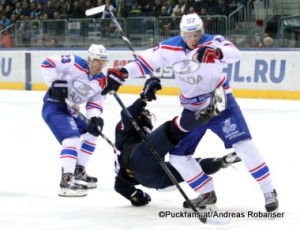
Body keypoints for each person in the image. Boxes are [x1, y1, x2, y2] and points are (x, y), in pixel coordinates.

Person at [101, 13, 278, 212]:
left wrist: (216, 53)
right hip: (192, 110)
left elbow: (234, 53)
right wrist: (123, 72)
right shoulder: (171, 46)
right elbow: (146, 61)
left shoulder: (212, 42)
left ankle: (268, 190)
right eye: (190, 35)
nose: (194, 39)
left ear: (202, 31)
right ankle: (206, 193)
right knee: (178, 156)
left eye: (198, 34)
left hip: (220, 103)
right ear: (182, 34)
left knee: (243, 144)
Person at [114, 78, 241, 206]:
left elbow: (119, 185)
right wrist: (143, 98)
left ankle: (219, 162)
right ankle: (206, 112)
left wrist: (138, 197)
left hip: (154, 180)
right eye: (146, 113)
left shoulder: (124, 155)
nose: (148, 115)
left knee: (188, 166)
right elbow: (126, 114)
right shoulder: (126, 127)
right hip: (139, 161)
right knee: (169, 130)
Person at [41, 44, 109, 197]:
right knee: (72, 140)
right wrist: (53, 83)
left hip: (72, 111)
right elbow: (48, 63)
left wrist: (94, 118)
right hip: (54, 106)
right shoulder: (74, 62)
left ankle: (79, 171)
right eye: (97, 61)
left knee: (93, 133)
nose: (100, 65)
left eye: (103, 62)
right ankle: (66, 182)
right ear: (89, 59)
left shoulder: (101, 81)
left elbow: (95, 102)